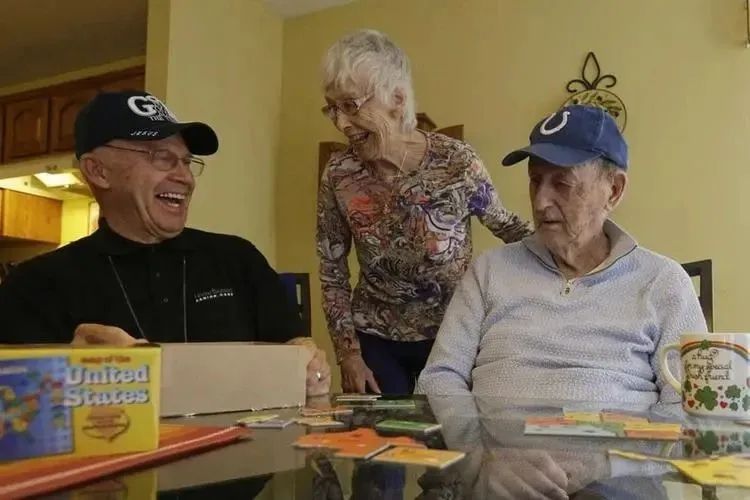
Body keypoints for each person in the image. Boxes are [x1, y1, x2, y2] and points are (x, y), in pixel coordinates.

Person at [0, 90, 330, 397]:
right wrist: (63, 375)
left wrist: (309, 368)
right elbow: (19, 409)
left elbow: (296, 349)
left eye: (186, 161)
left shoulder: (239, 259)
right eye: (161, 157)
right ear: (98, 171)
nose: (185, 177)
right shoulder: (33, 286)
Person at [417, 104, 707, 404]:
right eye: (535, 180)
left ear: (614, 190)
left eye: (562, 183)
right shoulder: (489, 270)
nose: (540, 202)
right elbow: (440, 376)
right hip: (493, 436)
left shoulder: (663, 282)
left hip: (617, 436)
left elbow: (690, 402)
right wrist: (470, 432)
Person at [317, 29, 532, 394]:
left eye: (351, 105)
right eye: (332, 108)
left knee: (450, 425)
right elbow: (332, 269)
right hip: (375, 338)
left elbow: (508, 227)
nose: (341, 123)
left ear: (397, 99)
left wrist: (575, 258)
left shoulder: (455, 161)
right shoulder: (339, 174)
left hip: (453, 334)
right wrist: (348, 354)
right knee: (383, 428)